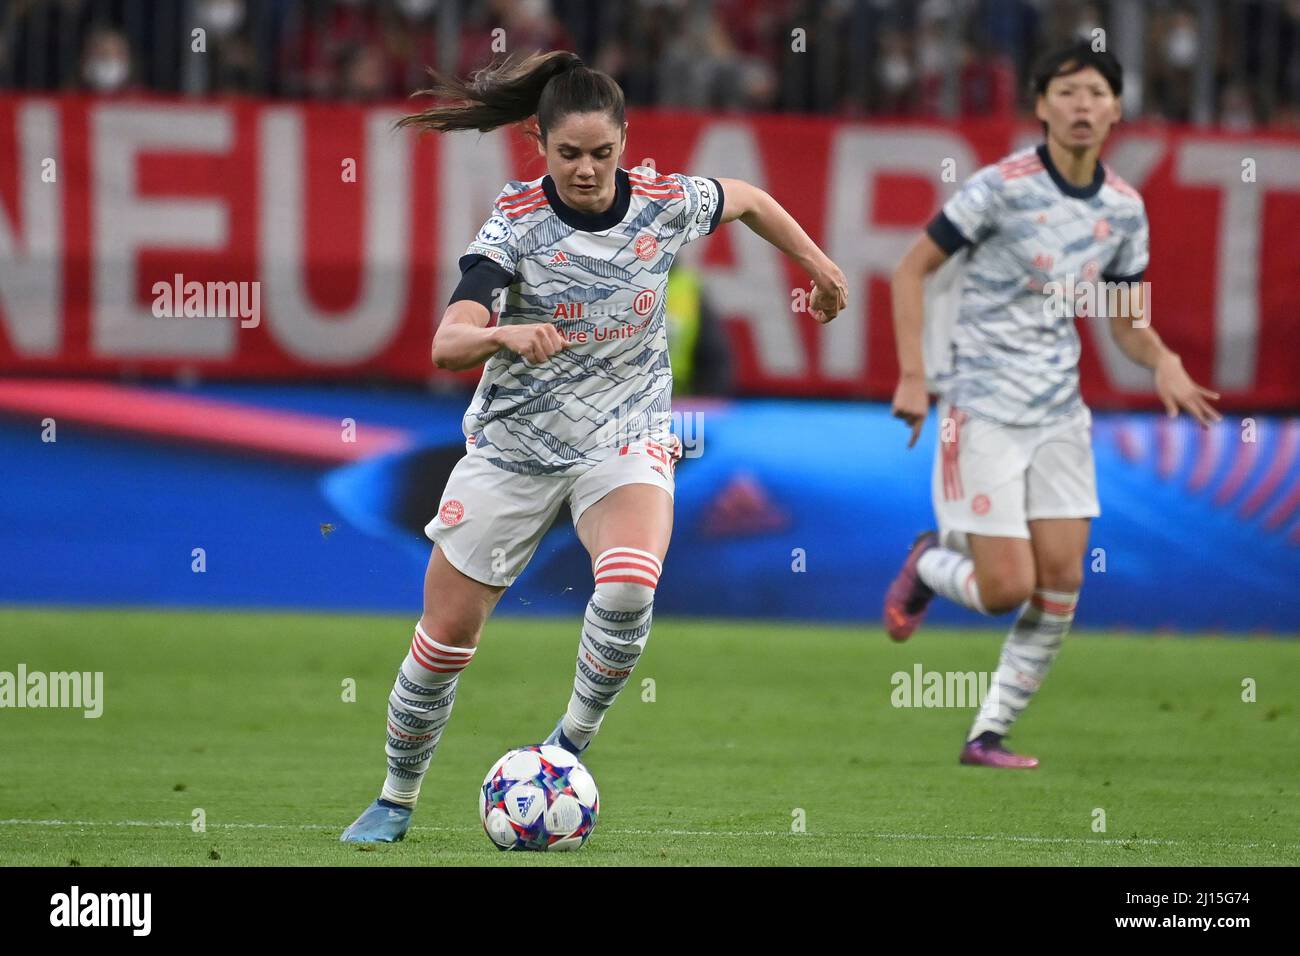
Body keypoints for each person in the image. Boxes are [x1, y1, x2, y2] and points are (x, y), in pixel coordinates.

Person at [342, 50, 847, 841]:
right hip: (514, 447)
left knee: (630, 584)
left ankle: (567, 744)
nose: (586, 169)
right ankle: (396, 796)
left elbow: (747, 200)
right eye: (569, 153)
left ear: (625, 144)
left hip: (626, 434)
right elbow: (447, 344)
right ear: (539, 145)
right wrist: (505, 332)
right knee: (444, 644)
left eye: (602, 153)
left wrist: (816, 263)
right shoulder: (513, 224)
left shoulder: (664, 202)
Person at [883, 41, 1220, 769]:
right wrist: (916, 375)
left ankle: (987, 734)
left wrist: (1163, 360)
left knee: (1063, 579)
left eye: (1096, 93)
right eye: (1066, 92)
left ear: (1117, 110)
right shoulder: (999, 188)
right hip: (981, 407)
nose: (1082, 106)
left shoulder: (1125, 209)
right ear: (1040, 106)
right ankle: (928, 561)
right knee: (1007, 589)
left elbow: (1126, 324)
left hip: (1060, 414)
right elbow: (910, 269)